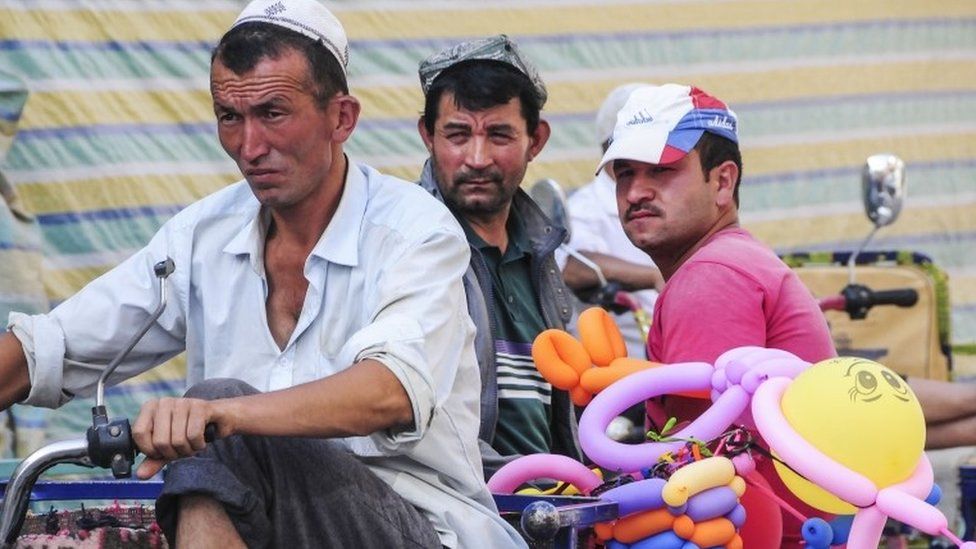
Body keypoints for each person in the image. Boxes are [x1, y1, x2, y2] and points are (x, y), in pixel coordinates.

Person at [0, 1, 524, 547]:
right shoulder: (200, 236)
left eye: (273, 113)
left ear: (341, 117)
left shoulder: (416, 231)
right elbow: (52, 346)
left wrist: (223, 414)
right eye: (230, 117)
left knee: (218, 429)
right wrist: (219, 420)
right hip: (263, 524)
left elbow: (391, 390)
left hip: (421, 527)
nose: (249, 148)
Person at [595, 83, 835, 548]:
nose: (635, 191)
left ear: (722, 182)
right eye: (624, 173)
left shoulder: (711, 275)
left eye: (661, 170)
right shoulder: (730, 261)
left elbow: (701, 468)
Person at [415, 35, 583, 478]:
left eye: (499, 135)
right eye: (457, 134)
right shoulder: (410, 249)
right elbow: (419, 432)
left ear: (536, 140)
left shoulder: (539, 252)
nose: (477, 158)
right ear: (427, 136)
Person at [560, 82, 663, 359]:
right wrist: (654, 277)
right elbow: (574, 267)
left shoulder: (667, 195)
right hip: (621, 377)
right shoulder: (585, 209)